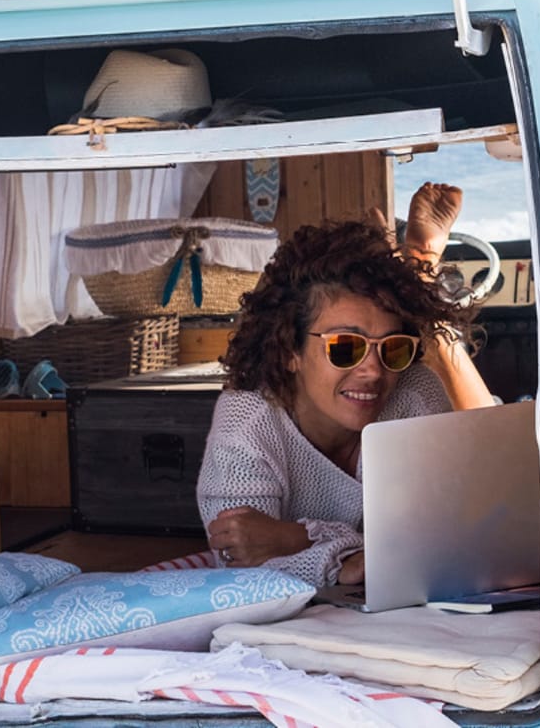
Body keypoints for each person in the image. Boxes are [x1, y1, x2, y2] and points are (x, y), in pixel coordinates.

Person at [197, 183, 493, 586]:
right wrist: (344, 562)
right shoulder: (246, 424)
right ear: (291, 350)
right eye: (346, 347)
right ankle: (420, 258)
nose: (373, 370)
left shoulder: (413, 395)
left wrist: (296, 537)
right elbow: (241, 568)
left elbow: (446, 536)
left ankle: (421, 261)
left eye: (393, 348)